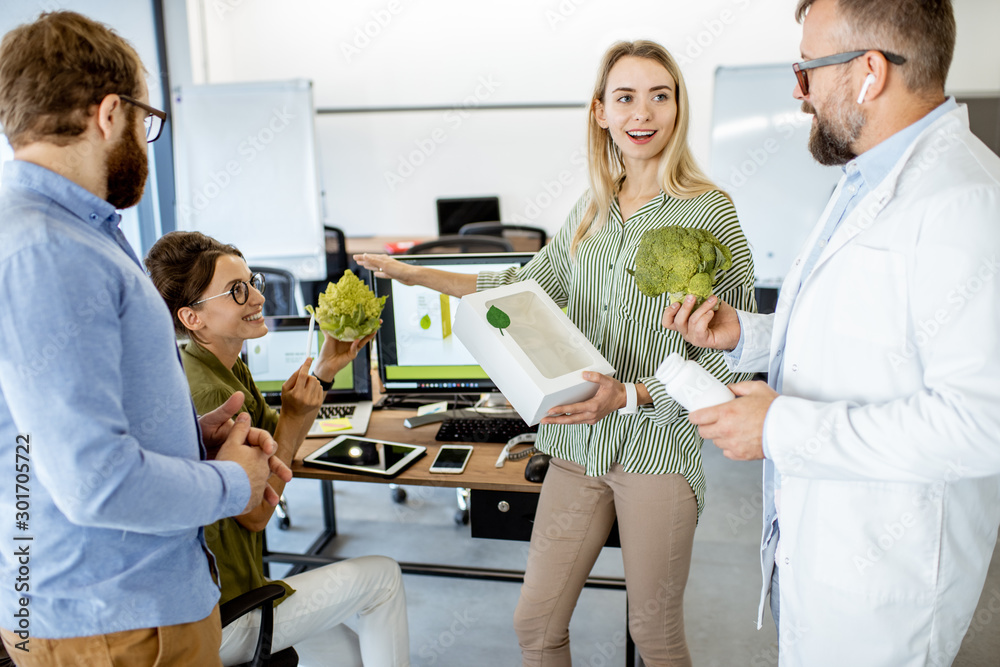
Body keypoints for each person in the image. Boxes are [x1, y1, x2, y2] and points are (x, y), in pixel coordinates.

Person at [356, 40, 756, 666]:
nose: (642, 113)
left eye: (660, 95)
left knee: (654, 636)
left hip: (658, 447)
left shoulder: (712, 212)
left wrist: (633, 393)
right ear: (601, 112)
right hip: (575, 447)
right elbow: (524, 285)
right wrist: (422, 275)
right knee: (535, 626)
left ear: (678, 108)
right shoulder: (592, 208)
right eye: (625, 98)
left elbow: (730, 357)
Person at [663, 0, 1000, 664]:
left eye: (808, 68)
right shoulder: (865, 179)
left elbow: (982, 422)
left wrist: (779, 428)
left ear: (869, 72)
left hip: (885, 588)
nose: (798, 91)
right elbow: (861, 341)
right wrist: (746, 336)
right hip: (821, 551)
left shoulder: (963, 200)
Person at [0, 11, 291, 666]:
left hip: (132, 613)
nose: (144, 139)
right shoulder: (48, 250)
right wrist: (227, 481)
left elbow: (76, 422)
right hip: (115, 625)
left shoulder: (72, 233)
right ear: (109, 114)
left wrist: (194, 435)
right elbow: (94, 483)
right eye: (145, 120)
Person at [146, 231, 410, 667]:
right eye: (237, 291)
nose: (257, 298)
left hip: (231, 596)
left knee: (348, 645)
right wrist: (290, 418)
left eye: (253, 282)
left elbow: (275, 447)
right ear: (193, 317)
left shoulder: (216, 366)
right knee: (383, 577)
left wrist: (323, 372)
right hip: (224, 615)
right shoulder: (210, 392)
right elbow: (256, 512)